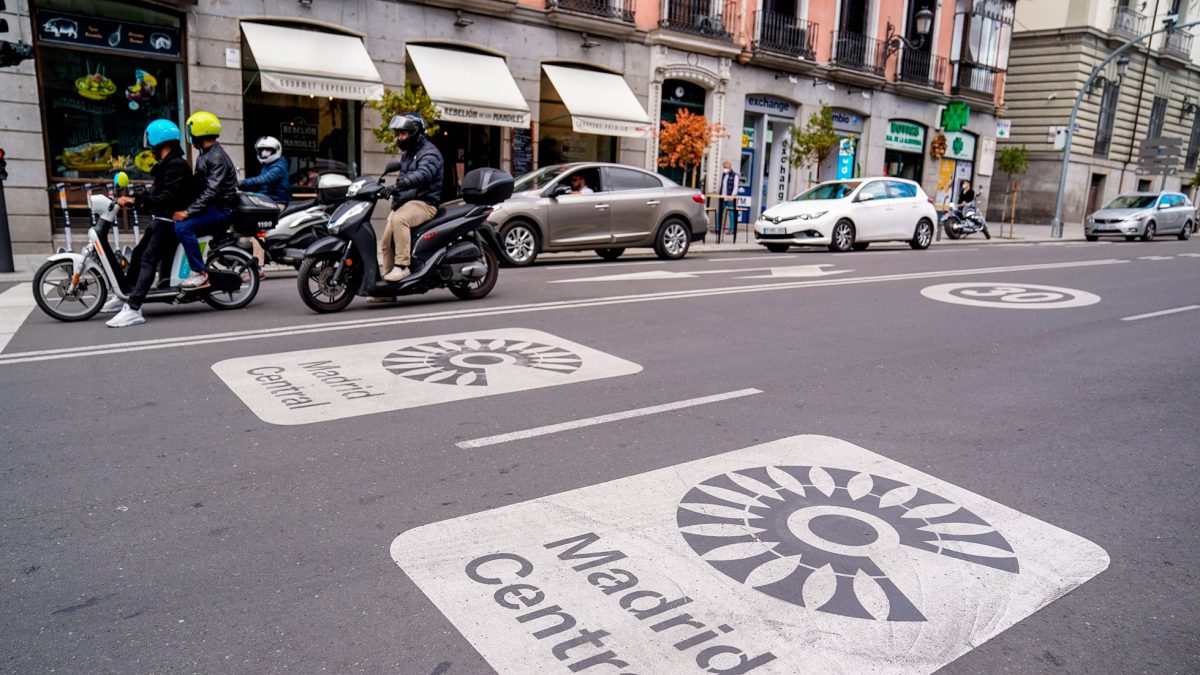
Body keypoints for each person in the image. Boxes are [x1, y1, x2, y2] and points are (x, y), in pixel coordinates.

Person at [105, 119, 195, 328]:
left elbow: (167, 198)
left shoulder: (176, 165)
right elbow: (156, 193)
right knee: (138, 254)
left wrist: (136, 200)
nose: (148, 145)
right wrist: (135, 198)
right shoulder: (167, 165)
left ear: (157, 138)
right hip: (162, 220)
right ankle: (126, 294)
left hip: (170, 222)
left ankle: (134, 308)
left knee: (148, 258)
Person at [372, 114, 443, 301]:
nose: (400, 137)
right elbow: (405, 176)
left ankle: (402, 266)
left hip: (425, 203)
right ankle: (387, 291)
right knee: (386, 242)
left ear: (415, 133)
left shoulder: (430, 153)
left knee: (399, 219)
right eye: (398, 134)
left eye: (403, 133)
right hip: (408, 202)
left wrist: (398, 186)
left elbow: (423, 174)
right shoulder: (409, 153)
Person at [173, 111, 238, 289]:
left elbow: (210, 191)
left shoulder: (216, 157)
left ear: (199, 132)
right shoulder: (205, 154)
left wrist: (188, 212)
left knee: (183, 227)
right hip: (211, 206)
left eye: (190, 131)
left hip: (222, 209)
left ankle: (199, 273)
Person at [239, 136, 289, 277]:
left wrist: (242, 183)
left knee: (259, 231)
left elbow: (264, 180)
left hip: (276, 203)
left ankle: (258, 268)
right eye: (262, 150)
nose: (264, 153)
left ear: (276, 151)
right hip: (267, 202)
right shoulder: (268, 166)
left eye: (268, 150)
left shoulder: (278, 167)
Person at [718, 160, 739, 237]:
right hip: (723, 197)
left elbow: (735, 187)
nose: (724, 169)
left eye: (726, 167)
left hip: (730, 198)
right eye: (724, 167)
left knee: (731, 214)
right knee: (720, 213)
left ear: (729, 167)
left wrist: (732, 196)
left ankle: (732, 229)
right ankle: (718, 228)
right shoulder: (724, 175)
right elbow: (723, 186)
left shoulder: (735, 175)